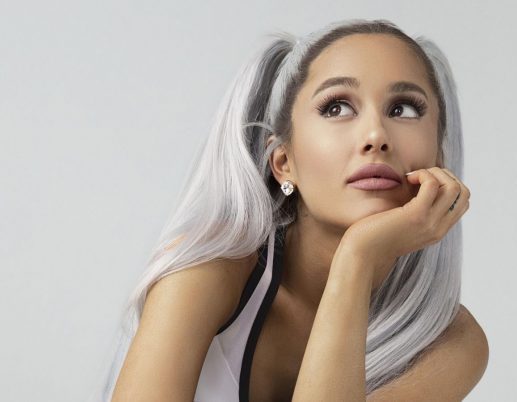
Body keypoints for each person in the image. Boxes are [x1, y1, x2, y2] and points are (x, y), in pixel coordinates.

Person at [94, 18, 488, 402]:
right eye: (337, 107)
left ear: (439, 157)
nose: (375, 136)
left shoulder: (449, 340)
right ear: (284, 162)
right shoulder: (207, 273)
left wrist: (357, 259)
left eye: (404, 109)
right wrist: (358, 258)